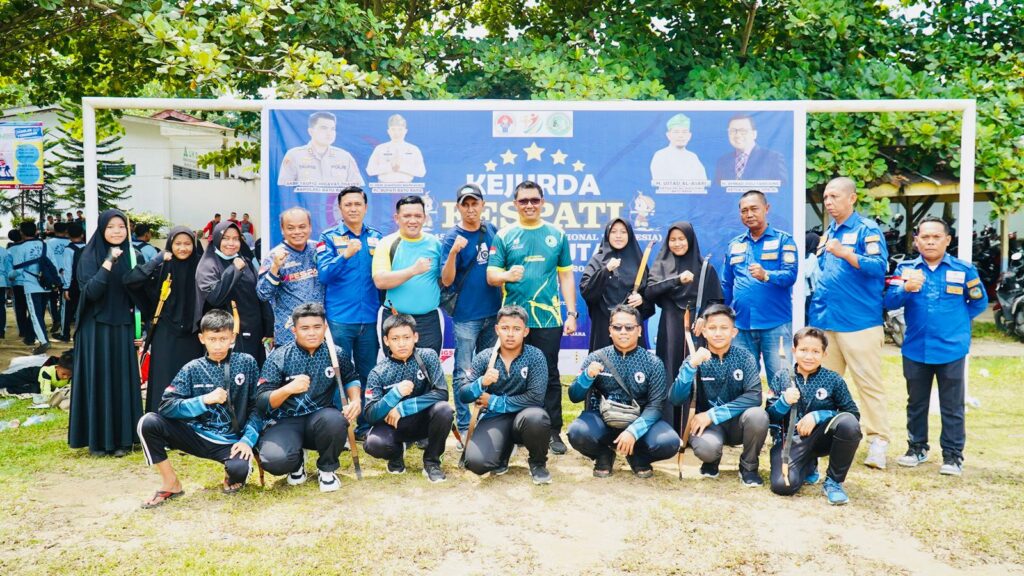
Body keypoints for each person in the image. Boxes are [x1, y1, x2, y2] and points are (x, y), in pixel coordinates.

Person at [884, 217, 988, 476]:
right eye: (925, 237)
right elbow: (889, 301)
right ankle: (916, 448)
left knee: (952, 406)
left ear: (947, 240)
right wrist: (905, 288)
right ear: (916, 240)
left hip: (951, 349)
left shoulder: (964, 270)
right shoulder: (906, 269)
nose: (930, 241)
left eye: (936, 237)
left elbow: (978, 302)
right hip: (915, 348)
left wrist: (956, 323)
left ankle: (953, 456)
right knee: (916, 403)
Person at [137, 309, 264, 507]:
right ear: (201, 338)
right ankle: (171, 483)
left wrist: (247, 440)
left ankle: (231, 471)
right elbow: (166, 406)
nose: (218, 345)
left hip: (231, 442)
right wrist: (203, 400)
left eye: (223, 339)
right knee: (148, 422)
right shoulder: (192, 368)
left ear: (233, 337)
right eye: (212, 339)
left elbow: (258, 407)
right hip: (196, 435)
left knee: (239, 471)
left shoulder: (247, 363)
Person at [487, 180, 577, 455]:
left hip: (548, 319)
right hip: (513, 322)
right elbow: (491, 276)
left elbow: (566, 276)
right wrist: (506, 275)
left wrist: (571, 313)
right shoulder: (504, 235)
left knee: (549, 374)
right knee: (510, 374)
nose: (529, 205)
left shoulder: (557, 234)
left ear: (543, 202)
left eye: (534, 200)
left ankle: (552, 431)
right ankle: (513, 430)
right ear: (515, 204)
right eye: (523, 200)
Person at [808, 176, 890, 469]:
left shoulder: (866, 229)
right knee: (824, 387)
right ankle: (824, 439)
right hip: (826, 322)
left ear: (852, 198)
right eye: (826, 198)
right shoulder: (828, 232)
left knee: (868, 386)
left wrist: (846, 253)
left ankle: (878, 442)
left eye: (834, 196)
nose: (829, 202)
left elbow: (879, 267)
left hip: (859, 323)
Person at [256, 303, 362, 493]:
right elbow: (263, 400)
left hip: (321, 418)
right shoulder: (279, 357)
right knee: (274, 461)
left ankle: (327, 469)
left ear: (325, 328)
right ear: (294, 330)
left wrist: (355, 400)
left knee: (336, 420)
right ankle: (296, 462)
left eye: (317, 327)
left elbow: (351, 378)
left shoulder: (336, 353)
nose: (312, 333)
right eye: (304, 328)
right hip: (286, 421)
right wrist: (287, 389)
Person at [68, 209, 146, 457]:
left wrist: (141, 328)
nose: (116, 231)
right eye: (111, 227)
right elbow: (91, 292)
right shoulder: (88, 255)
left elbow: (140, 293)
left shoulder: (134, 256)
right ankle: (98, 441)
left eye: (121, 227)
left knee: (121, 380)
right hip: (95, 329)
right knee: (98, 379)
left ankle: (123, 440)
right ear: (102, 229)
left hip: (122, 327)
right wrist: (109, 261)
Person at [567, 305, 679, 478]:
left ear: (639, 331)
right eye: (617, 327)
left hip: (638, 422)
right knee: (577, 432)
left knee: (668, 442)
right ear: (610, 331)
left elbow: (656, 406)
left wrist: (633, 431)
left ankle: (638, 455)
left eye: (629, 327)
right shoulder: (596, 357)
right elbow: (574, 396)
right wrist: (587, 377)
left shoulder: (653, 363)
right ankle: (603, 454)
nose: (623, 332)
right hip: (603, 421)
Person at [668, 304, 768, 486]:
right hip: (707, 427)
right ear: (704, 331)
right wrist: (691, 367)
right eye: (712, 328)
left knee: (758, 416)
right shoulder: (695, 358)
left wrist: (712, 414)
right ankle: (711, 461)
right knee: (708, 449)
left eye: (724, 328)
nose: (718, 333)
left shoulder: (745, 357)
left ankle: (749, 467)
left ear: (734, 332)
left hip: (738, 424)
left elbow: (754, 396)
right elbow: (675, 398)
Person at [766, 327, 862, 505]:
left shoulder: (833, 380)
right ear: (794, 351)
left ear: (824, 354)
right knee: (783, 486)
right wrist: (783, 402)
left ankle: (833, 482)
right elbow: (770, 417)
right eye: (803, 350)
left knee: (849, 424)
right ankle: (808, 466)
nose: (809, 356)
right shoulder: (781, 377)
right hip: (790, 442)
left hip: (821, 438)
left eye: (816, 351)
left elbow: (853, 414)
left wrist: (820, 415)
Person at [458, 305, 552, 484]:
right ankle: (503, 452)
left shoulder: (535, 356)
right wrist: (481, 383)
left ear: (525, 331)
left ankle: (538, 463)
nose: (510, 334)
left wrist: (494, 401)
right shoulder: (485, 357)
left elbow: (535, 398)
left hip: (526, 416)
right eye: (505, 328)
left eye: (516, 329)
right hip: (496, 418)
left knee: (537, 418)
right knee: (476, 464)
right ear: (497, 329)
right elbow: (464, 394)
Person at [317, 186, 383, 440]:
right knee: (338, 374)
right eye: (348, 204)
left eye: (358, 204)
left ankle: (365, 426)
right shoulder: (328, 237)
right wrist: (345, 255)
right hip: (340, 319)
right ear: (340, 209)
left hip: (369, 318)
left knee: (368, 373)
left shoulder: (377, 237)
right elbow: (324, 275)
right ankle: (339, 429)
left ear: (365, 207)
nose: (353, 208)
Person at [645, 221, 723, 428]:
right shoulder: (661, 266)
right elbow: (650, 291)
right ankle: (668, 426)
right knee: (669, 370)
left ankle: (695, 426)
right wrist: (677, 280)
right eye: (673, 239)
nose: (677, 243)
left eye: (682, 239)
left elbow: (716, 300)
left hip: (697, 329)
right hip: (670, 326)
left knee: (697, 372)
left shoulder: (705, 269)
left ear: (690, 240)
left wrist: (705, 316)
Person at [440, 183, 502, 438]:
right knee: (464, 371)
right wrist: (454, 252)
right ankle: (465, 425)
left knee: (490, 369)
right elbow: (446, 280)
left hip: (493, 313)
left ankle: (486, 420)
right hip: (466, 316)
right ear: (458, 207)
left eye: (474, 203)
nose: (470, 209)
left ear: (482, 205)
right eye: (465, 204)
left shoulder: (492, 231)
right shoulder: (451, 237)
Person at [363, 314, 454, 482]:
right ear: (386, 341)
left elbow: (442, 392)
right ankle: (396, 454)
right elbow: (370, 415)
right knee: (373, 444)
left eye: (406, 337)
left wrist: (403, 407)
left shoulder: (428, 356)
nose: (402, 343)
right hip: (394, 426)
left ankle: (432, 462)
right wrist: (394, 395)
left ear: (415, 337)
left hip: (424, 421)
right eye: (395, 338)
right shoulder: (378, 372)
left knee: (444, 410)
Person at [124, 226, 204, 413]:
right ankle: (160, 423)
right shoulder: (161, 268)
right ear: (170, 245)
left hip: (193, 334)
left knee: (193, 380)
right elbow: (131, 281)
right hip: (165, 333)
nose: (182, 248)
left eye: (187, 244)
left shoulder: (200, 266)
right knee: (164, 380)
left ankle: (190, 423)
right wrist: (157, 260)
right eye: (178, 244)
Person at [721, 190, 798, 381]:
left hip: (775, 324)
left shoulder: (783, 240)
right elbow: (726, 285)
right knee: (742, 381)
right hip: (742, 325)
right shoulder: (734, 245)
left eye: (754, 209)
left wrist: (767, 275)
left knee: (782, 381)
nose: (749, 214)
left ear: (766, 208)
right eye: (744, 210)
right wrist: (720, 315)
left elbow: (790, 276)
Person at [195, 221, 274, 366]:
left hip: (253, 332)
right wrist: (234, 270)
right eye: (225, 238)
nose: (231, 243)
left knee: (253, 372)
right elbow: (215, 297)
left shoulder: (245, 260)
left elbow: (259, 295)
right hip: (225, 336)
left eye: (236, 239)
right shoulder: (208, 265)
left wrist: (269, 328)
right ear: (217, 239)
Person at [372, 195, 443, 353]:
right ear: (397, 218)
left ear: (425, 218)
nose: (413, 220)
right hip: (395, 319)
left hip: (428, 321)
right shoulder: (386, 243)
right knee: (395, 366)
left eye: (418, 216)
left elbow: (443, 279)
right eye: (407, 216)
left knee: (429, 365)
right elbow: (380, 281)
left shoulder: (435, 244)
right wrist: (413, 271)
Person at [579, 217, 654, 352]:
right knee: (602, 363)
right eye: (613, 232)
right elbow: (587, 291)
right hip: (603, 326)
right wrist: (605, 270)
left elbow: (650, 294)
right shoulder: (598, 260)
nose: (618, 236)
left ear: (629, 235)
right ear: (608, 235)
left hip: (631, 327)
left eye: (623, 232)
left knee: (634, 363)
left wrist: (641, 300)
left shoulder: (639, 261)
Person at [257, 207, 324, 347]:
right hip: (288, 334)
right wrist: (275, 267)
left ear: (310, 227)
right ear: (282, 230)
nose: (297, 232)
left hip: (318, 332)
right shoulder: (274, 256)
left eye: (302, 227)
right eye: (291, 228)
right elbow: (263, 294)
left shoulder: (319, 250)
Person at [278, 111, 364, 187]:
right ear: (311, 131)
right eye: (324, 128)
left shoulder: (345, 157)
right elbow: (284, 189)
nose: (329, 133)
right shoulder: (294, 155)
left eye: (332, 129)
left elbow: (357, 187)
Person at [713, 114, 787, 188]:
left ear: (754, 134)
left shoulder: (773, 159)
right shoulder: (723, 161)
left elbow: (782, 190)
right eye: (733, 131)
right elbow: (717, 191)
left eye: (743, 131)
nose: (737, 135)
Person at [9, 221, 51, 354]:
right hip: (46, 285)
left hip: (31, 285)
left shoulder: (21, 248)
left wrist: (10, 276)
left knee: (34, 314)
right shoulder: (45, 245)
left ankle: (43, 341)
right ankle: (33, 337)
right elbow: (53, 264)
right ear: (36, 231)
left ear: (22, 233)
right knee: (40, 314)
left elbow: (18, 270)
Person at [649, 113, 708, 194]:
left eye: (684, 132)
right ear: (668, 135)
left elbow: (702, 183)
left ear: (689, 135)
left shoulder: (693, 157)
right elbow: (661, 184)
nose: (681, 135)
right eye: (676, 132)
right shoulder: (660, 156)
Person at [366, 114, 426, 183]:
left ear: (405, 131)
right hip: (383, 186)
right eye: (393, 129)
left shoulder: (414, 149)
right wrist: (390, 166)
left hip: (406, 186)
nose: (396, 133)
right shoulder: (380, 148)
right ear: (388, 131)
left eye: (400, 129)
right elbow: (370, 170)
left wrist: (401, 167)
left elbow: (421, 172)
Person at [58, 223, 87, 342]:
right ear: (82, 234)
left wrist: (66, 287)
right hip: (86, 283)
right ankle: (80, 335)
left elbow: (67, 269)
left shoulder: (68, 249)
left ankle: (65, 334)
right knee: (83, 310)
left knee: (67, 310)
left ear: (68, 235)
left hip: (72, 284)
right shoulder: (88, 247)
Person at [0, 350, 72, 396]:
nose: (66, 377)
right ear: (57, 367)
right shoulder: (47, 373)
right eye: (63, 374)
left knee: (35, 389)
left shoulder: (72, 376)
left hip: (40, 383)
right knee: (12, 379)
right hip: (33, 374)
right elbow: (46, 391)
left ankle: (8, 390)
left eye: (69, 375)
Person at [45, 222, 70, 336]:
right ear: (66, 230)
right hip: (67, 276)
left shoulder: (48, 243)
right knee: (65, 300)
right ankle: (63, 318)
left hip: (53, 275)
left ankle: (56, 319)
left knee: (51, 300)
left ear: (54, 230)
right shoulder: (70, 242)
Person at [0, 238, 11, 339]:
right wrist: (9, 285)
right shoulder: (4, 251)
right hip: (1, 281)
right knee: (1, 307)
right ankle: (1, 331)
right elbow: (8, 270)